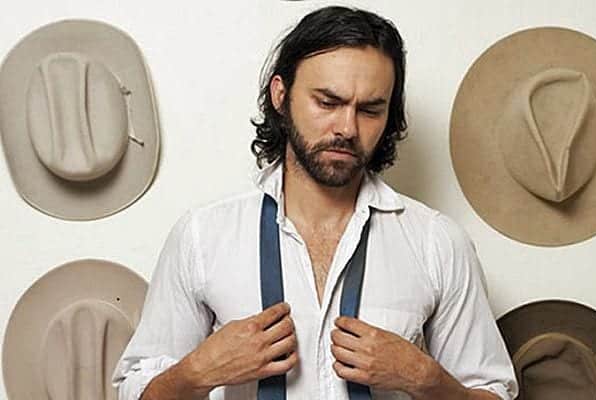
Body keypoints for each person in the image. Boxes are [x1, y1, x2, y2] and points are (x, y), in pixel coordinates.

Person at [113, 6, 518, 400]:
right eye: (327, 102)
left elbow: (491, 391)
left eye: (370, 110)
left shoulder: (438, 242)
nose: (347, 128)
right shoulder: (202, 237)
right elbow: (137, 392)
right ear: (281, 95)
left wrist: (427, 380)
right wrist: (199, 372)